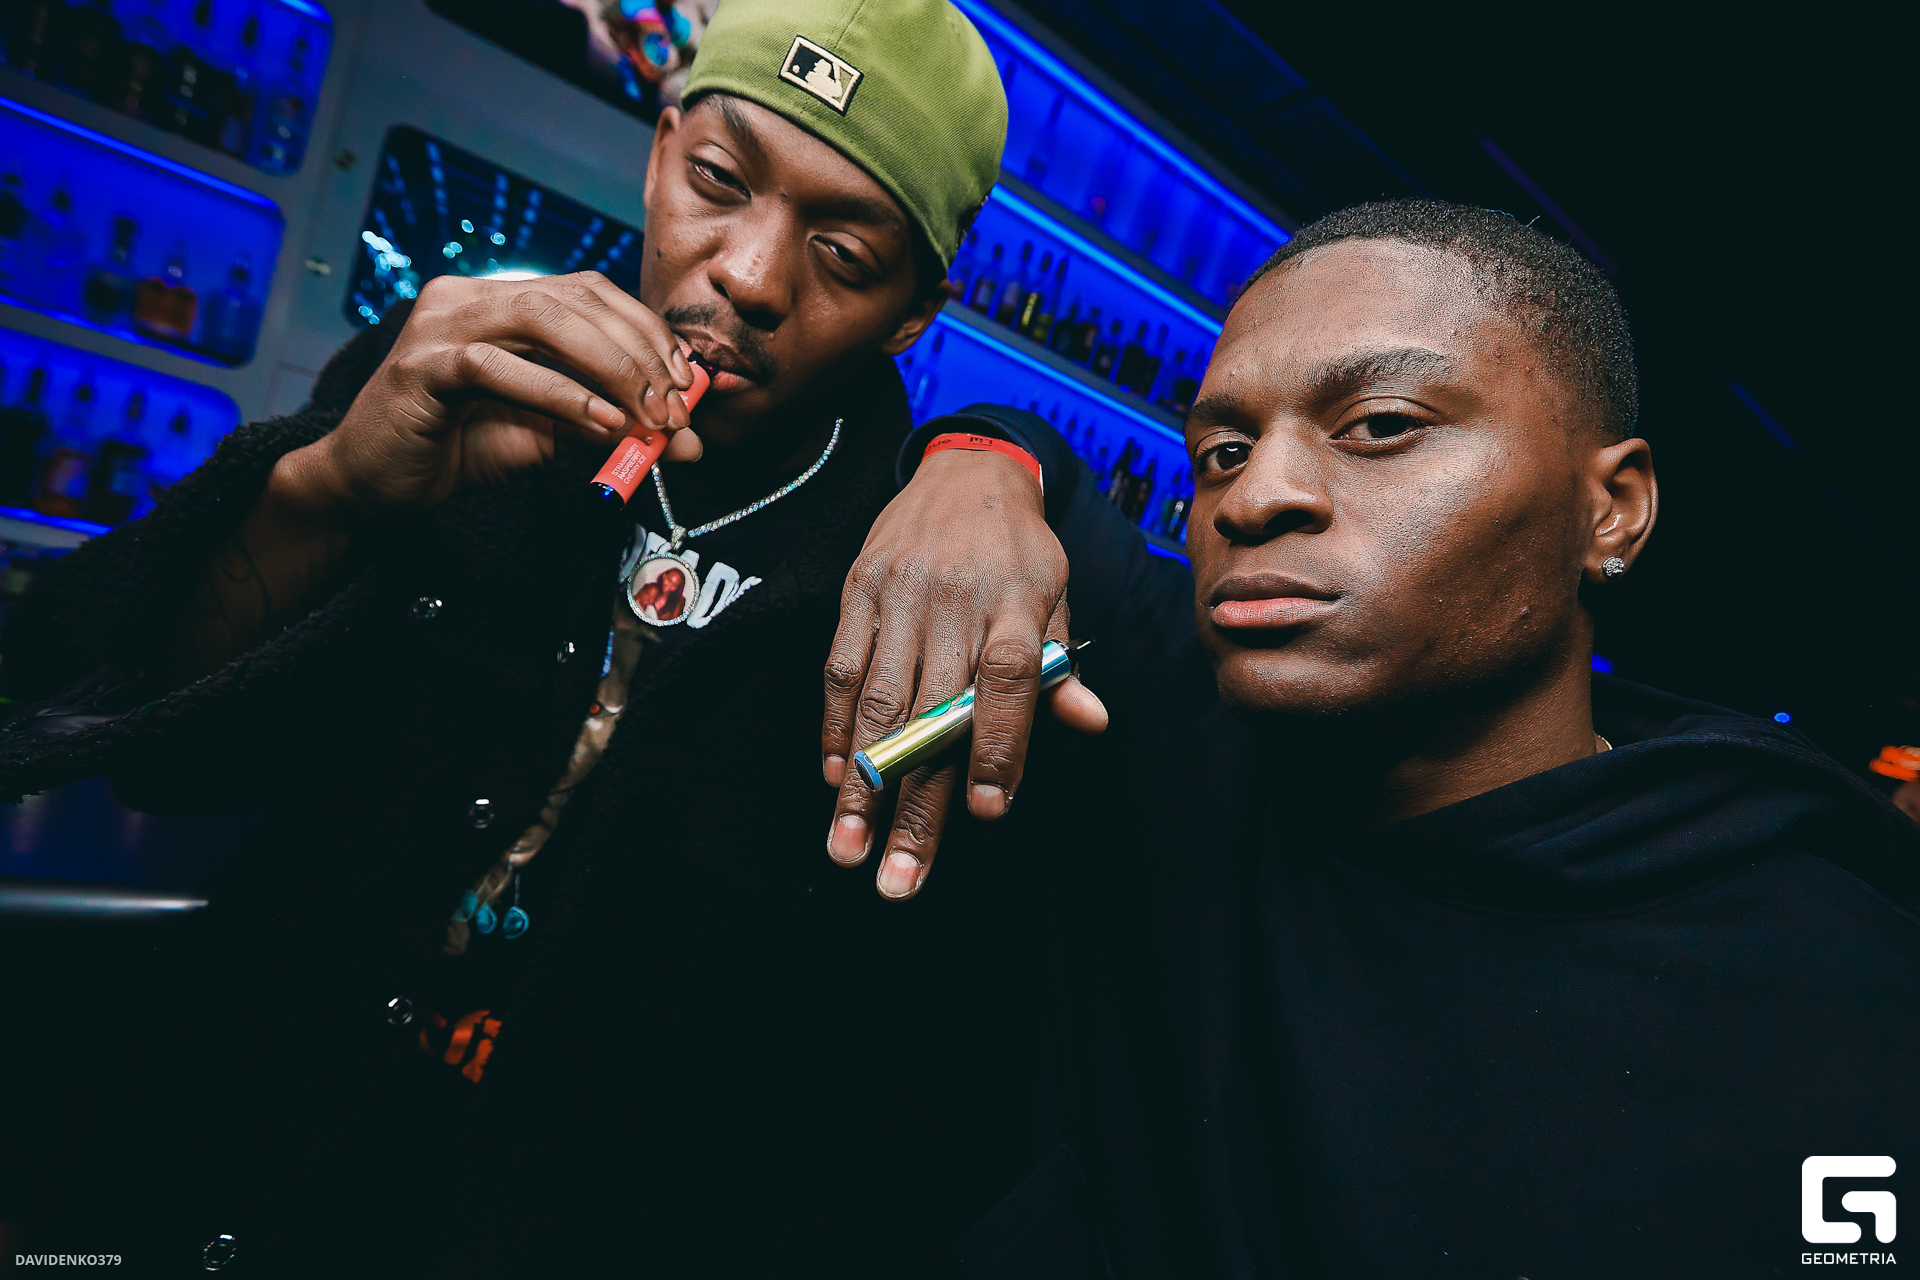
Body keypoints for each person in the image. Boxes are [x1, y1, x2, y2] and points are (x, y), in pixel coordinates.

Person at [0, 2, 1058, 1274]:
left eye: (841, 252)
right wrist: (330, 486)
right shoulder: (452, 374)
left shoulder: (914, 580)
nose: (748, 275)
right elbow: (163, 755)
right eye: (719, 181)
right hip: (222, 1171)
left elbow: (903, 1082)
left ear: (913, 312)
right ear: (660, 151)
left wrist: (1004, 455)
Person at [823, 200, 1920, 1276]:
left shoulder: (1845, 1002)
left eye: (1382, 425)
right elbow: (1043, 474)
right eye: (1222, 450)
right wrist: (976, 464)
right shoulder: (1173, 733)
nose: (1255, 497)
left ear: (1612, 508)